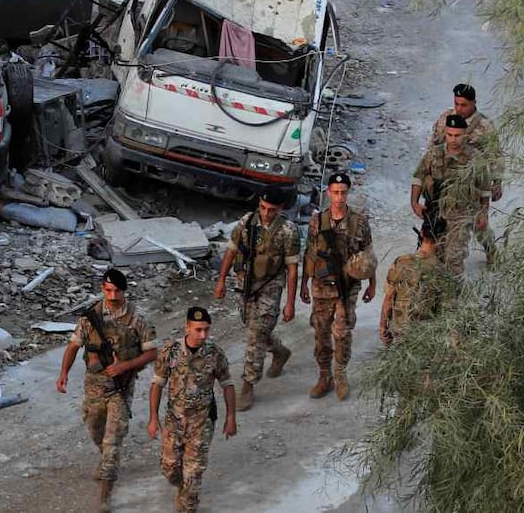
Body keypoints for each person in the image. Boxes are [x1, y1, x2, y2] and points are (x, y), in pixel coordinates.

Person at [56, 268, 157, 512]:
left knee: (113, 440)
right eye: (108, 290)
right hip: (94, 386)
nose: (112, 296)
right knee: (94, 429)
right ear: (102, 288)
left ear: (124, 290)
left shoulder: (137, 319)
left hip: (120, 388)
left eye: (117, 291)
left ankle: (105, 493)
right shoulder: (90, 318)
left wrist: (126, 366)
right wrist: (63, 375)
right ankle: (106, 460)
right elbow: (73, 347)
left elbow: (152, 352)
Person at [213, 190, 300, 411]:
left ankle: (248, 385)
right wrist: (221, 281)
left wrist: (290, 303)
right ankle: (279, 351)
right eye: (262, 207)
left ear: (280, 208)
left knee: (255, 335)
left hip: (271, 286)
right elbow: (231, 252)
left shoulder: (288, 231)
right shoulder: (247, 222)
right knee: (254, 328)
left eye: (272, 209)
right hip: (246, 285)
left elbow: (291, 269)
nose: (266, 213)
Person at [148, 307, 236, 513]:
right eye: (198, 330)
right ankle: (182, 487)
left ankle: (188, 502)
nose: (202, 335)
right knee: (170, 469)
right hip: (174, 422)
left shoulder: (214, 353)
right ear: (187, 328)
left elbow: (227, 384)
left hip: (202, 422)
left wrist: (231, 417)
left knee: (194, 474)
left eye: (206, 330)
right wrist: (153, 418)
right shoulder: (170, 352)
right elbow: (157, 385)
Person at [299, 172, 376, 401]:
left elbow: (368, 256)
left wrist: (372, 284)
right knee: (321, 332)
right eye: (335, 193)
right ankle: (324, 376)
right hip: (321, 286)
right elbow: (310, 253)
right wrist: (304, 282)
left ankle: (340, 374)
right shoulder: (317, 221)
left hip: (347, 286)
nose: (339, 197)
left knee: (342, 332)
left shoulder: (359, 222)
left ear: (348, 193)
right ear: (328, 193)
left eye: (343, 193)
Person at [412, 113, 492, 277]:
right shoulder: (433, 154)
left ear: (465, 135)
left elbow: (484, 189)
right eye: (450, 135)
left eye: (457, 135)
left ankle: (454, 297)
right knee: (435, 256)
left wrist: (483, 212)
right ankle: (437, 294)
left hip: (461, 215)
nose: (453, 139)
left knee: (454, 258)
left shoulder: (475, 159)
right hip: (436, 212)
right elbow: (418, 177)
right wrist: (414, 202)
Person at [430, 83, 502, 264]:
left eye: (464, 105)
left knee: (479, 223)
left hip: (473, 183)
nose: (459, 109)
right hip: (447, 181)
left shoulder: (485, 126)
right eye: (456, 104)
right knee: (442, 220)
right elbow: (434, 144)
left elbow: (495, 155)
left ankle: (490, 250)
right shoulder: (446, 118)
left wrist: (497, 182)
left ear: (474, 103)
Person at [380, 218, 451, 344]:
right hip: (423, 337)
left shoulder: (401, 262)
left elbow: (388, 299)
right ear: (443, 239)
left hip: (399, 330)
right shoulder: (441, 272)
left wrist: (383, 328)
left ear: (422, 233)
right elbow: (444, 311)